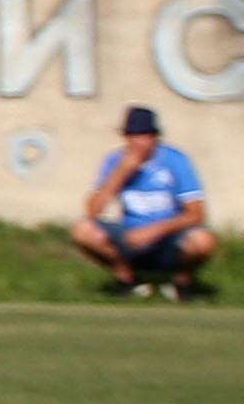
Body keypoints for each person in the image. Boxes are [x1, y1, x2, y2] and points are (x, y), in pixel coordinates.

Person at [73, 108, 216, 297]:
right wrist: (121, 172)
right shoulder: (116, 160)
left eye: (143, 136)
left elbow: (196, 213)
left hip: (168, 238)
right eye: (131, 136)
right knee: (83, 231)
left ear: (154, 137)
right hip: (130, 235)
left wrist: (155, 230)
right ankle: (126, 278)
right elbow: (93, 211)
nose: (136, 142)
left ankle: (182, 282)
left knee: (203, 241)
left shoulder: (175, 160)